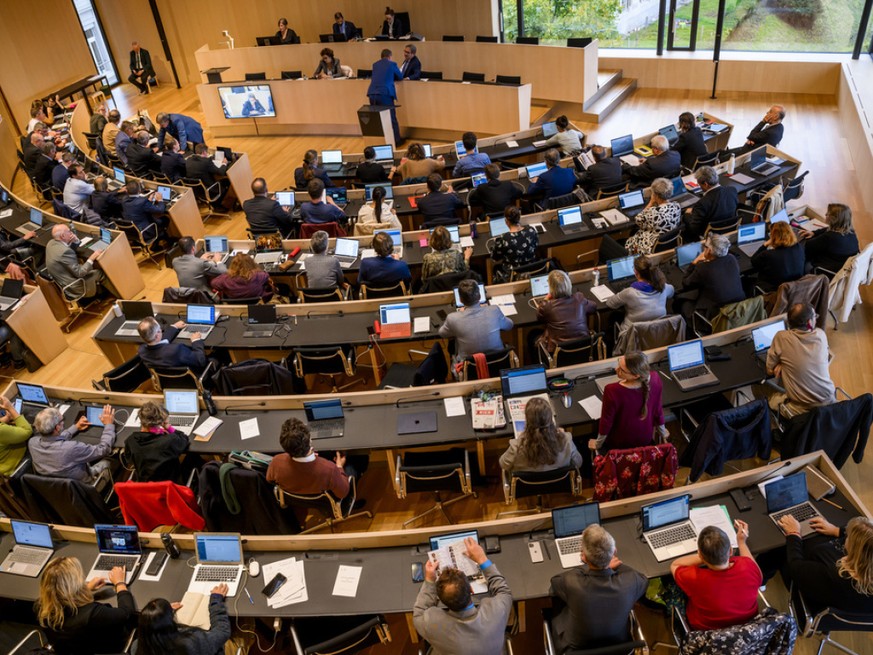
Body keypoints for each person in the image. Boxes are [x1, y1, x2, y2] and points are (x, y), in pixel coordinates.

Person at [549, 525, 648, 653]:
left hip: (575, 649)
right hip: (619, 647)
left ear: (583, 557)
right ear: (614, 552)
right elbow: (643, 580)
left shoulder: (571, 582)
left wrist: (586, 567)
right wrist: (611, 567)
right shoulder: (631, 581)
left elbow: (554, 582)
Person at [413, 536, 512, 655]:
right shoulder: (497, 611)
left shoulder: (430, 625)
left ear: (441, 600)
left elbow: (418, 614)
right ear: (471, 590)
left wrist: (429, 580)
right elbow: (503, 591)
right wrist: (482, 559)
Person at [776, 515, 873, 622]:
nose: (845, 538)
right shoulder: (866, 567)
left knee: (779, 551)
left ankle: (760, 580)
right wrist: (837, 531)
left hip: (813, 600)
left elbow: (795, 566)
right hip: (853, 609)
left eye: (848, 537)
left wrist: (793, 533)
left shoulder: (833, 575)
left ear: (856, 553)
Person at [671, 522, 762, 631]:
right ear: (731, 551)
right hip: (748, 631)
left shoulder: (695, 579)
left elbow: (675, 565)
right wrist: (741, 543)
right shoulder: (748, 567)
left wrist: (706, 556)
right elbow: (757, 573)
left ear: (700, 554)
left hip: (708, 633)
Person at [267, 418, 358, 523]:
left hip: (298, 501)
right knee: (357, 462)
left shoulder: (276, 462)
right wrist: (339, 466)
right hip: (328, 501)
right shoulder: (329, 469)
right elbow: (343, 493)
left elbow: (270, 479)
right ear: (310, 440)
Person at [37, 558, 135, 655]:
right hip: (108, 647)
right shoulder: (92, 614)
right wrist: (120, 583)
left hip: (70, 649)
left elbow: (64, 601)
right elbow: (127, 613)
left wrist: (85, 589)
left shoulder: (42, 607)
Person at [765, 302, 836, 416]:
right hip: (830, 401)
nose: (816, 320)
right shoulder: (821, 335)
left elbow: (769, 369)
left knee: (768, 398)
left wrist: (782, 363)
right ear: (809, 322)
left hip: (800, 410)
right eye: (814, 317)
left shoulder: (781, 337)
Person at [588, 351, 667, 453]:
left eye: (622, 369)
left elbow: (606, 423)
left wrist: (598, 444)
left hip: (618, 445)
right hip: (645, 440)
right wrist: (663, 432)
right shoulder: (655, 379)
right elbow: (658, 410)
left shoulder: (612, 390)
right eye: (618, 364)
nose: (616, 369)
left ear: (635, 376)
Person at [29, 405, 116, 484]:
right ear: (57, 427)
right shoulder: (71, 448)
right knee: (111, 460)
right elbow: (104, 449)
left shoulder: (32, 443)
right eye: (62, 420)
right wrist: (109, 425)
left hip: (60, 489)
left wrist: (76, 427)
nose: (63, 421)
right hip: (86, 487)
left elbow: (52, 439)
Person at [136, 587, 231, 655]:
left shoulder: (137, 647)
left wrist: (163, 614)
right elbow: (222, 631)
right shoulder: (190, 643)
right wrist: (216, 600)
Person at [675, 232, 745, 322]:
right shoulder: (732, 259)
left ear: (709, 251)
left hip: (715, 315)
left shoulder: (703, 268)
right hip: (737, 308)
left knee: (681, 303)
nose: (704, 248)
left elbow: (686, 282)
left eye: (705, 246)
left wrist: (694, 262)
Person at [499, 397, 582, 472]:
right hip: (559, 486)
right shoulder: (566, 440)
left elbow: (503, 464)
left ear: (527, 421)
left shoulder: (517, 446)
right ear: (550, 419)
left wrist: (521, 437)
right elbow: (578, 463)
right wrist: (562, 435)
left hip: (527, 488)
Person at [439, 279, 513, 361]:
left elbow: (442, 333)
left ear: (460, 299)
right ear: (480, 296)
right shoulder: (494, 310)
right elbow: (509, 325)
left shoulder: (452, 318)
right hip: (499, 361)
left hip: (469, 367)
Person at [606, 255, 674, 340]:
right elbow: (672, 292)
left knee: (613, 316)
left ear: (636, 272)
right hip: (657, 336)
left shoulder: (629, 293)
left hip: (632, 339)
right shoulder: (663, 287)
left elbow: (610, 304)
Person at [123, 401, 190, 483]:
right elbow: (184, 439)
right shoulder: (169, 440)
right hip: (170, 488)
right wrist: (168, 427)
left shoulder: (131, 441)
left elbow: (129, 460)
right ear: (161, 422)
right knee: (192, 458)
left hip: (146, 489)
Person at [535, 270, 597, 352]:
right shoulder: (579, 298)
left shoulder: (546, 306)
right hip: (584, 349)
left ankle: (541, 364)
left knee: (533, 335)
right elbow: (594, 307)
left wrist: (546, 299)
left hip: (558, 354)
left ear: (551, 288)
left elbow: (539, 317)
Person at [46, 223, 107, 300]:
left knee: (88, 265)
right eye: (69, 231)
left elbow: (67, 255)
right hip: (75, 288)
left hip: (65, 280)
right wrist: (92, 257)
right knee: (99, 272)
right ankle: (119, 295)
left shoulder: (51, 243)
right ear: (63, 236)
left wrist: (76, 241)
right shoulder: (64, 252)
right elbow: (80, 273)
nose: (71, 232)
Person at [624, 177, 681, 255]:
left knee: (629, 240)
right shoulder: (677, 206)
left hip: (649, 245)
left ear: (656, 196)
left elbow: (638, 219)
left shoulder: (653, 213)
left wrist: (651, 202)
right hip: (667, 241)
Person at [801, 202, 859, 275]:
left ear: (833, 219)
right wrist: (814, 233)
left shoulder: (830, 237)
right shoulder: (851, 232)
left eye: (827, 214)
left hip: (825, 270)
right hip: (842, 267)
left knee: (800, 255)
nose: (825, 214)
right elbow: (827, 229)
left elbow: (808, 247)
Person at [682, 165, 738, 240]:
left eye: (699, 184)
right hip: (730, 228)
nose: (699, 186)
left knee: (685, 217)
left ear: (705, 184)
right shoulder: (732, 190)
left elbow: (694, 228)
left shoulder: (702, 203)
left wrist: (690, 214)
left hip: (711, 235)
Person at [137, 316, 208, 371]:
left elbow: (161, 341)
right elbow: (200, 361)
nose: (161, 330)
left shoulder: (142, 351)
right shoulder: (176, 350)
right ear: (157, 335)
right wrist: (196, 341)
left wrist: (175, 327)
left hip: (165, 382)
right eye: (159, 330)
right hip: (190, 380)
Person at [751, 221, 805, 292]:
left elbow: (753, 261)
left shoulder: (768, 254)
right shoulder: (798, 247)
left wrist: (765, 245)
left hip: (774, 292)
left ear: (773, 237)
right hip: (794, 289)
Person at [491, 206, 538, 282]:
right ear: (519, 218)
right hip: (531, 269)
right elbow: (535, 246)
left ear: (506, 221)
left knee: (495, 267)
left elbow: (494, 258)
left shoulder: (504, 238)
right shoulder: (531, 230)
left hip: (513, 273)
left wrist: (496, 243)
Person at [367, 49, 403, 145]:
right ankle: (397, 141)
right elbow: (400, 76)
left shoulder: (375, 65)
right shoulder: (392, 64)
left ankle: (380, 142)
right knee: (391, 118)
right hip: (384, 94)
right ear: (390, 56)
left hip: (372, 93)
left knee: (377, 119)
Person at [0, 395, 32, 476]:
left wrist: (6, 418)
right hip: (10, 469)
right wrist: (11, 408)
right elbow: (27, 431)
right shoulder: (1, 430)